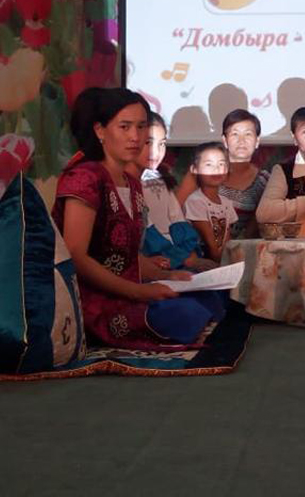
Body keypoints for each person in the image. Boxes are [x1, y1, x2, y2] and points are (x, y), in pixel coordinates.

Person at [52, 88, 224, 348]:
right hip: (93, 297)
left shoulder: (131, 183)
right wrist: (139, 291)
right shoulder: (85, 178)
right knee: (185, 314)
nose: (135, 137)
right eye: (125, 127)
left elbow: (129, 256)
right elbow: (76, 256)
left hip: (131, 288)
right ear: (100, 131)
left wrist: (169, 275)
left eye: (141, 126)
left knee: (209, 296)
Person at [132, 112, 212, 272]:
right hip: (154, 256)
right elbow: (147, 231)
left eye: (162, 144)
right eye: (149, 143)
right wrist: (182, 259)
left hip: (176, 253)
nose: (156, 151)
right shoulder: (128, 183)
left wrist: (189, 255)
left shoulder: (160, 177)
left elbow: (176, 217)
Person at [176, 109, 270, 239]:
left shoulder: (264, 181)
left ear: (257, 141)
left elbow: (254, 229)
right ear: (225, 140)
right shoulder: (202, 171)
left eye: (248, 134)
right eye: (235, 134)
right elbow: (174, 212)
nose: (241, 141)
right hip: (191, 244)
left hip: (234, 247)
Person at [183, 142, 237, 263]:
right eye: (209, 164)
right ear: (195, 169)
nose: (216, 169)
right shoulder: (195, 201)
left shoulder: (226, 203)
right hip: (200, 260)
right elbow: (211, 245)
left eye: (221, 164)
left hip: (220, 259)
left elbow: (227, 240)